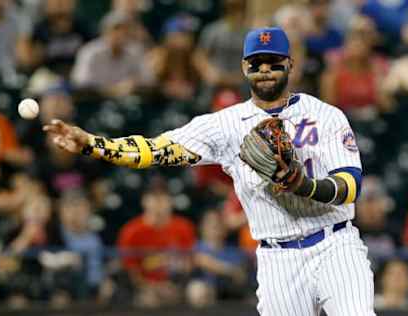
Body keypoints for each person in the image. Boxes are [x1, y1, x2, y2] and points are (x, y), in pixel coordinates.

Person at [44, 27, 375, 315]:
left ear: (290, 64)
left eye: (274, 62)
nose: (265, 69)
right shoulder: (224, 125)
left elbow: (349, 185)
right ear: (245, 67)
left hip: (335, 243)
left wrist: (304, 185)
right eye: (256, 63)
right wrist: (92, 144)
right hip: (278, 257)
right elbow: (156, 150)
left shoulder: (327, 115)